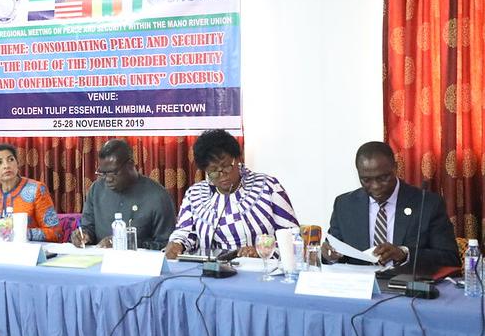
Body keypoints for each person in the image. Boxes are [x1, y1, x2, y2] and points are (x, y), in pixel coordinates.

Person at [165, 129, 299, 259]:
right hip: (212, 269)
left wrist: (261, 251)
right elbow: (185, 232)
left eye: (227, 166)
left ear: (238, 159)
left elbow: (292, 236)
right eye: (214, 171)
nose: (222, 175)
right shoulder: (195, 194)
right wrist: (177, 244)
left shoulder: (268, 186)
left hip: (261, 268)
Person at [322, 141, 460, 267]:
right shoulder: (344, 205)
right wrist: (329, 255)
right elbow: (333, 251)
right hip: (360, 284)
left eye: (383, 178)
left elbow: (451, 258)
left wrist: (404, 254)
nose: (375, 186)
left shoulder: (427, 204)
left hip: (406, 284)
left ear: (395, 168)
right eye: (366, 180)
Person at [70, 139, 175, 250]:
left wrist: (127, 243)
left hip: (139, 260)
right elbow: (88, 227)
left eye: (113, 172)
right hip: (100, 257)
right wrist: (83, 235)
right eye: (103, 173)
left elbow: (167, 245)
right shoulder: (96, 189)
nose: (108, 179)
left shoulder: (158, 196)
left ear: (130, 164)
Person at [0, 143, 62, 242]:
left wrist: (21, 233)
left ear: (17, 163)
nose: (6, 166)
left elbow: (55, 232)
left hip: (29, 248)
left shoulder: (36, 189)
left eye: (11, 159)